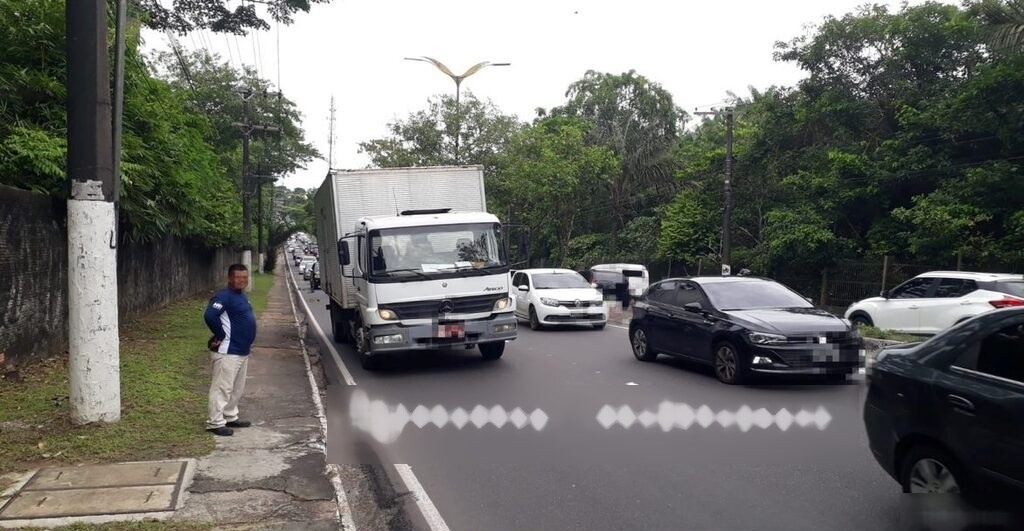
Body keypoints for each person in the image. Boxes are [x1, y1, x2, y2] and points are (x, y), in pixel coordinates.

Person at [203, 264, 257, 436]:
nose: (242, 280)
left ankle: (230, 415)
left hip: (242, 350)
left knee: (236, 388)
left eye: (245, 277)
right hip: (227, 350)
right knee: (222, 388)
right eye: (238, 277)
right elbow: (210, 315)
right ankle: (215, 422)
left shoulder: (242, 296)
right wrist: (219, 335)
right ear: (229, 278)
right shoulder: (223, 297)